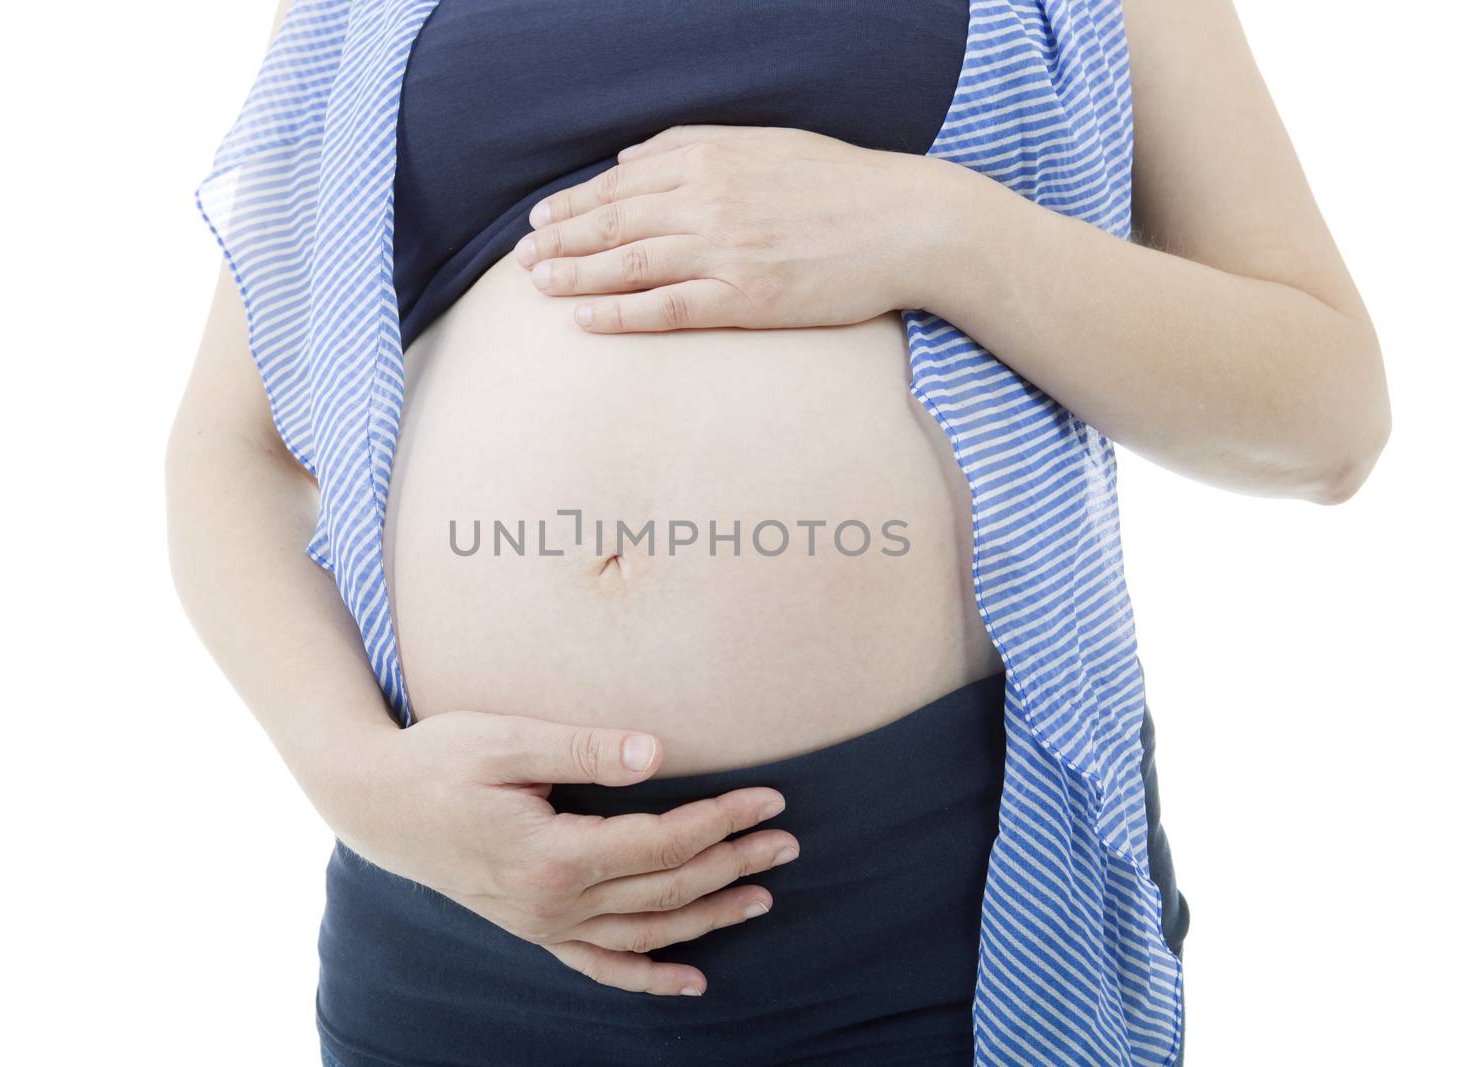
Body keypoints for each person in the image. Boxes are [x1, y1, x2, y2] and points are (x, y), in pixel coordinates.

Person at [166, 1, 1390, 1064]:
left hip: (924, 901)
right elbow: (240, 451)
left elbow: (1325, 414)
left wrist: (943, 230)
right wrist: (358, 778)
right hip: (465, 905)